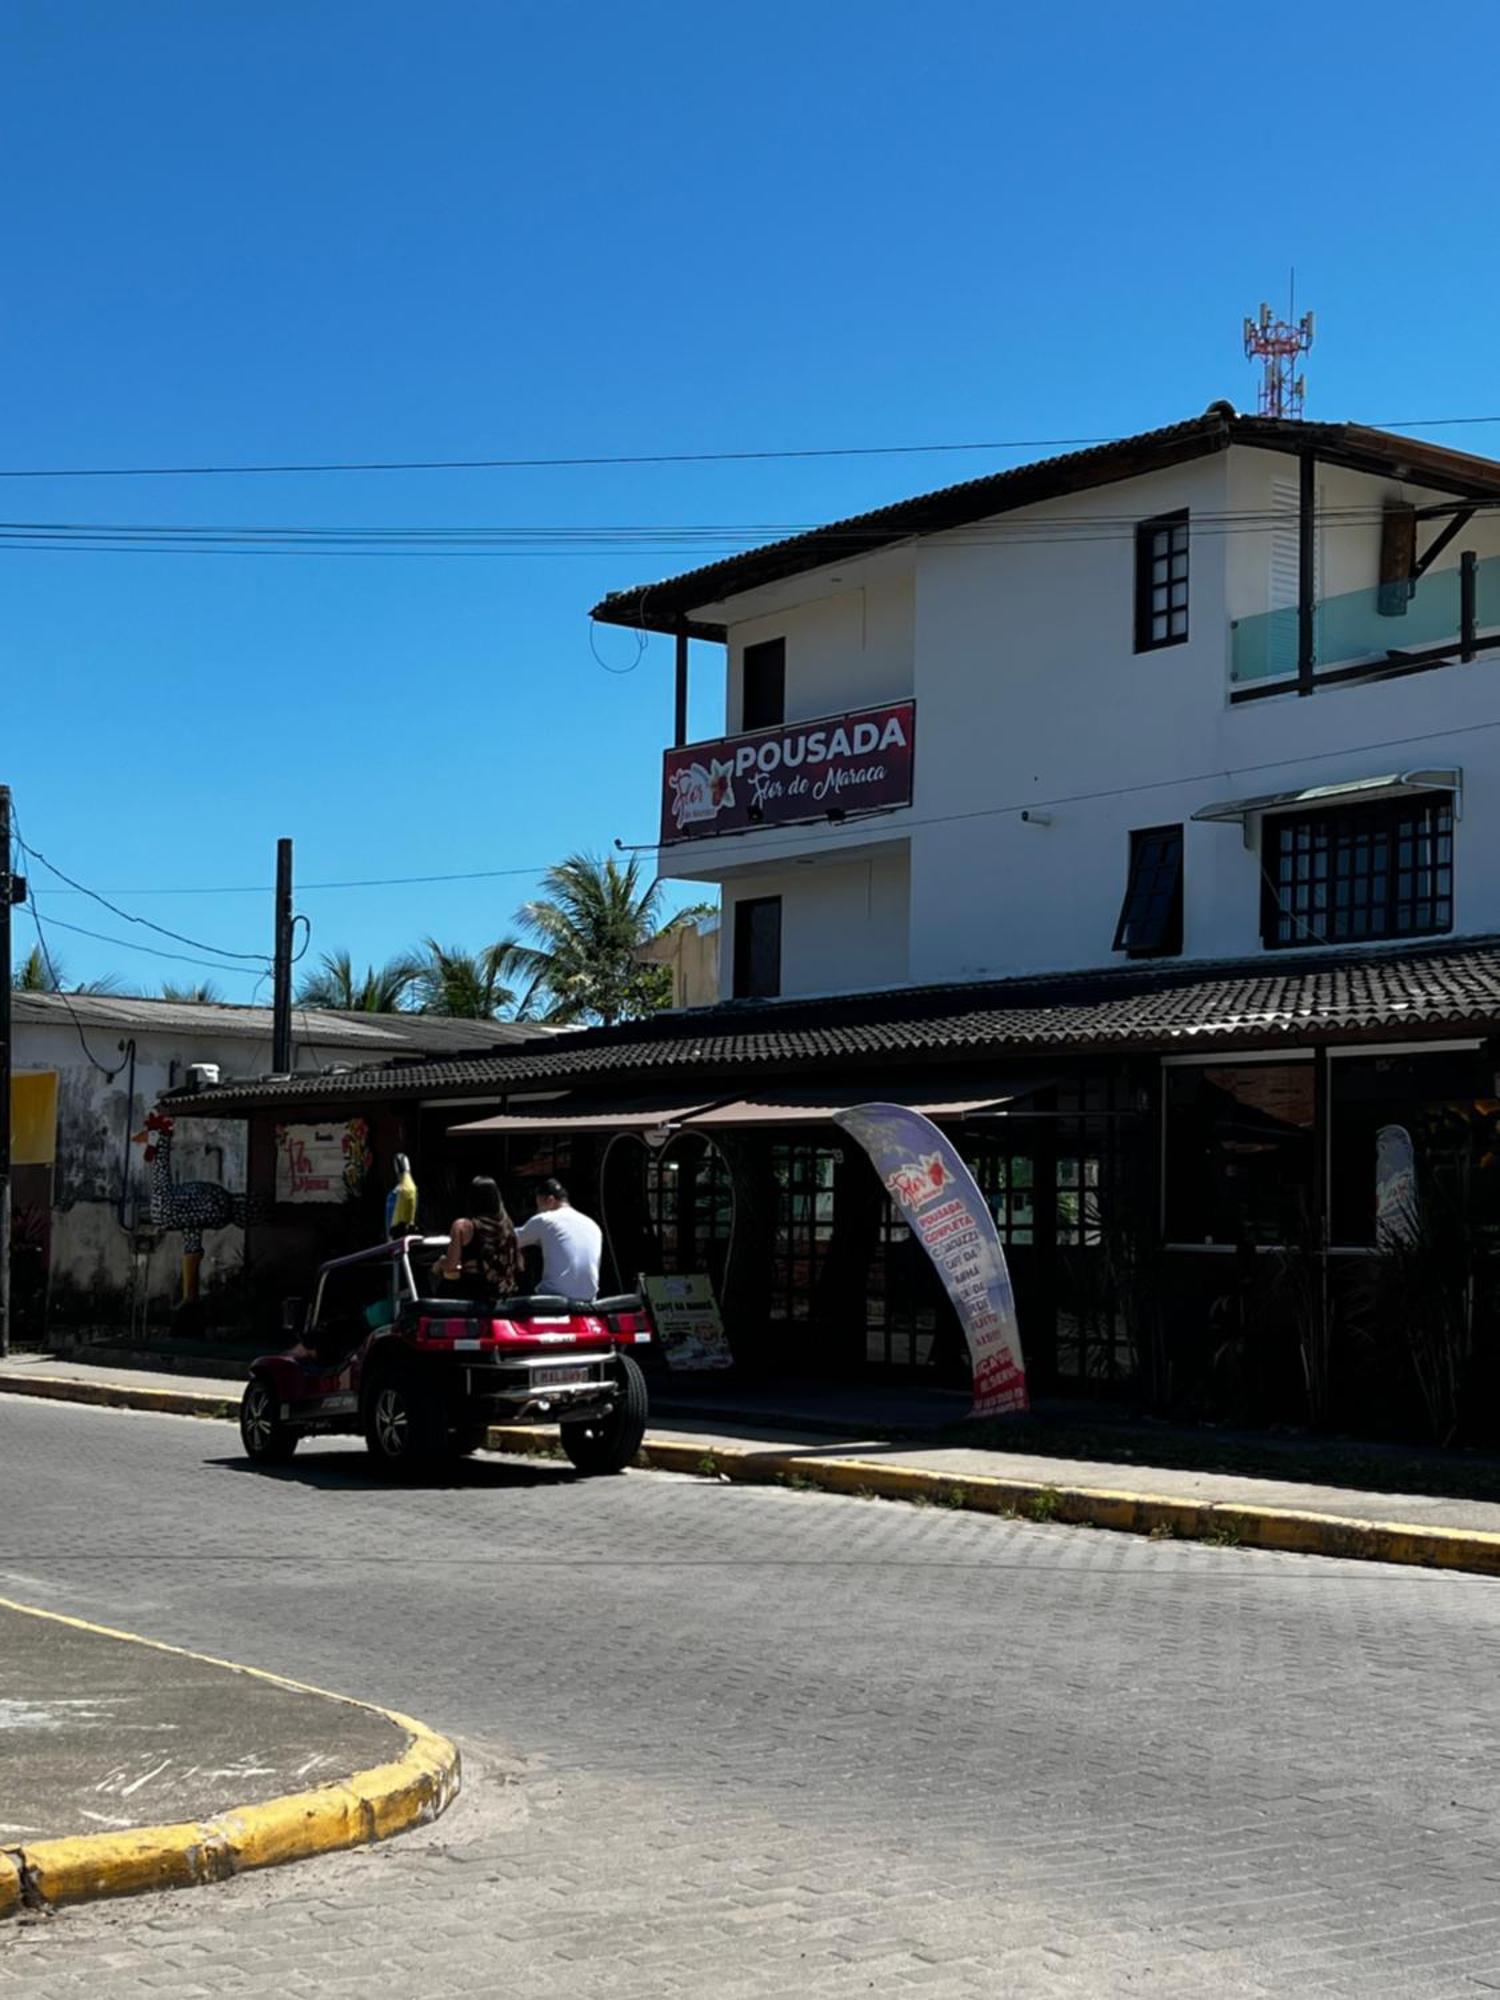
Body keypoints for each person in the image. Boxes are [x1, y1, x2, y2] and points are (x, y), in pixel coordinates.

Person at [515, 1178, 602, 1302]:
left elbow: (511, 1240)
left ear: (550, 1200)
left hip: (554, 1301)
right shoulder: (593, 1225)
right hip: (588, 1302)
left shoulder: (545, 1219)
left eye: (539, 1206)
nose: (538, 1211)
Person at [435, 1177, 522, 1300]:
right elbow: (520, 1264)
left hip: (472, 1296)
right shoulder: (508, 1226)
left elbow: (451, 1265)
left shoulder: (462, 1226)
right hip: (504, 1294)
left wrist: (440, 1263)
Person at [385, 1153, 418, 1239]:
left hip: (398, 1235)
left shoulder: (394, 1194)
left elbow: (390, 1221)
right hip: (408, 1234)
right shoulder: (413, 1189)